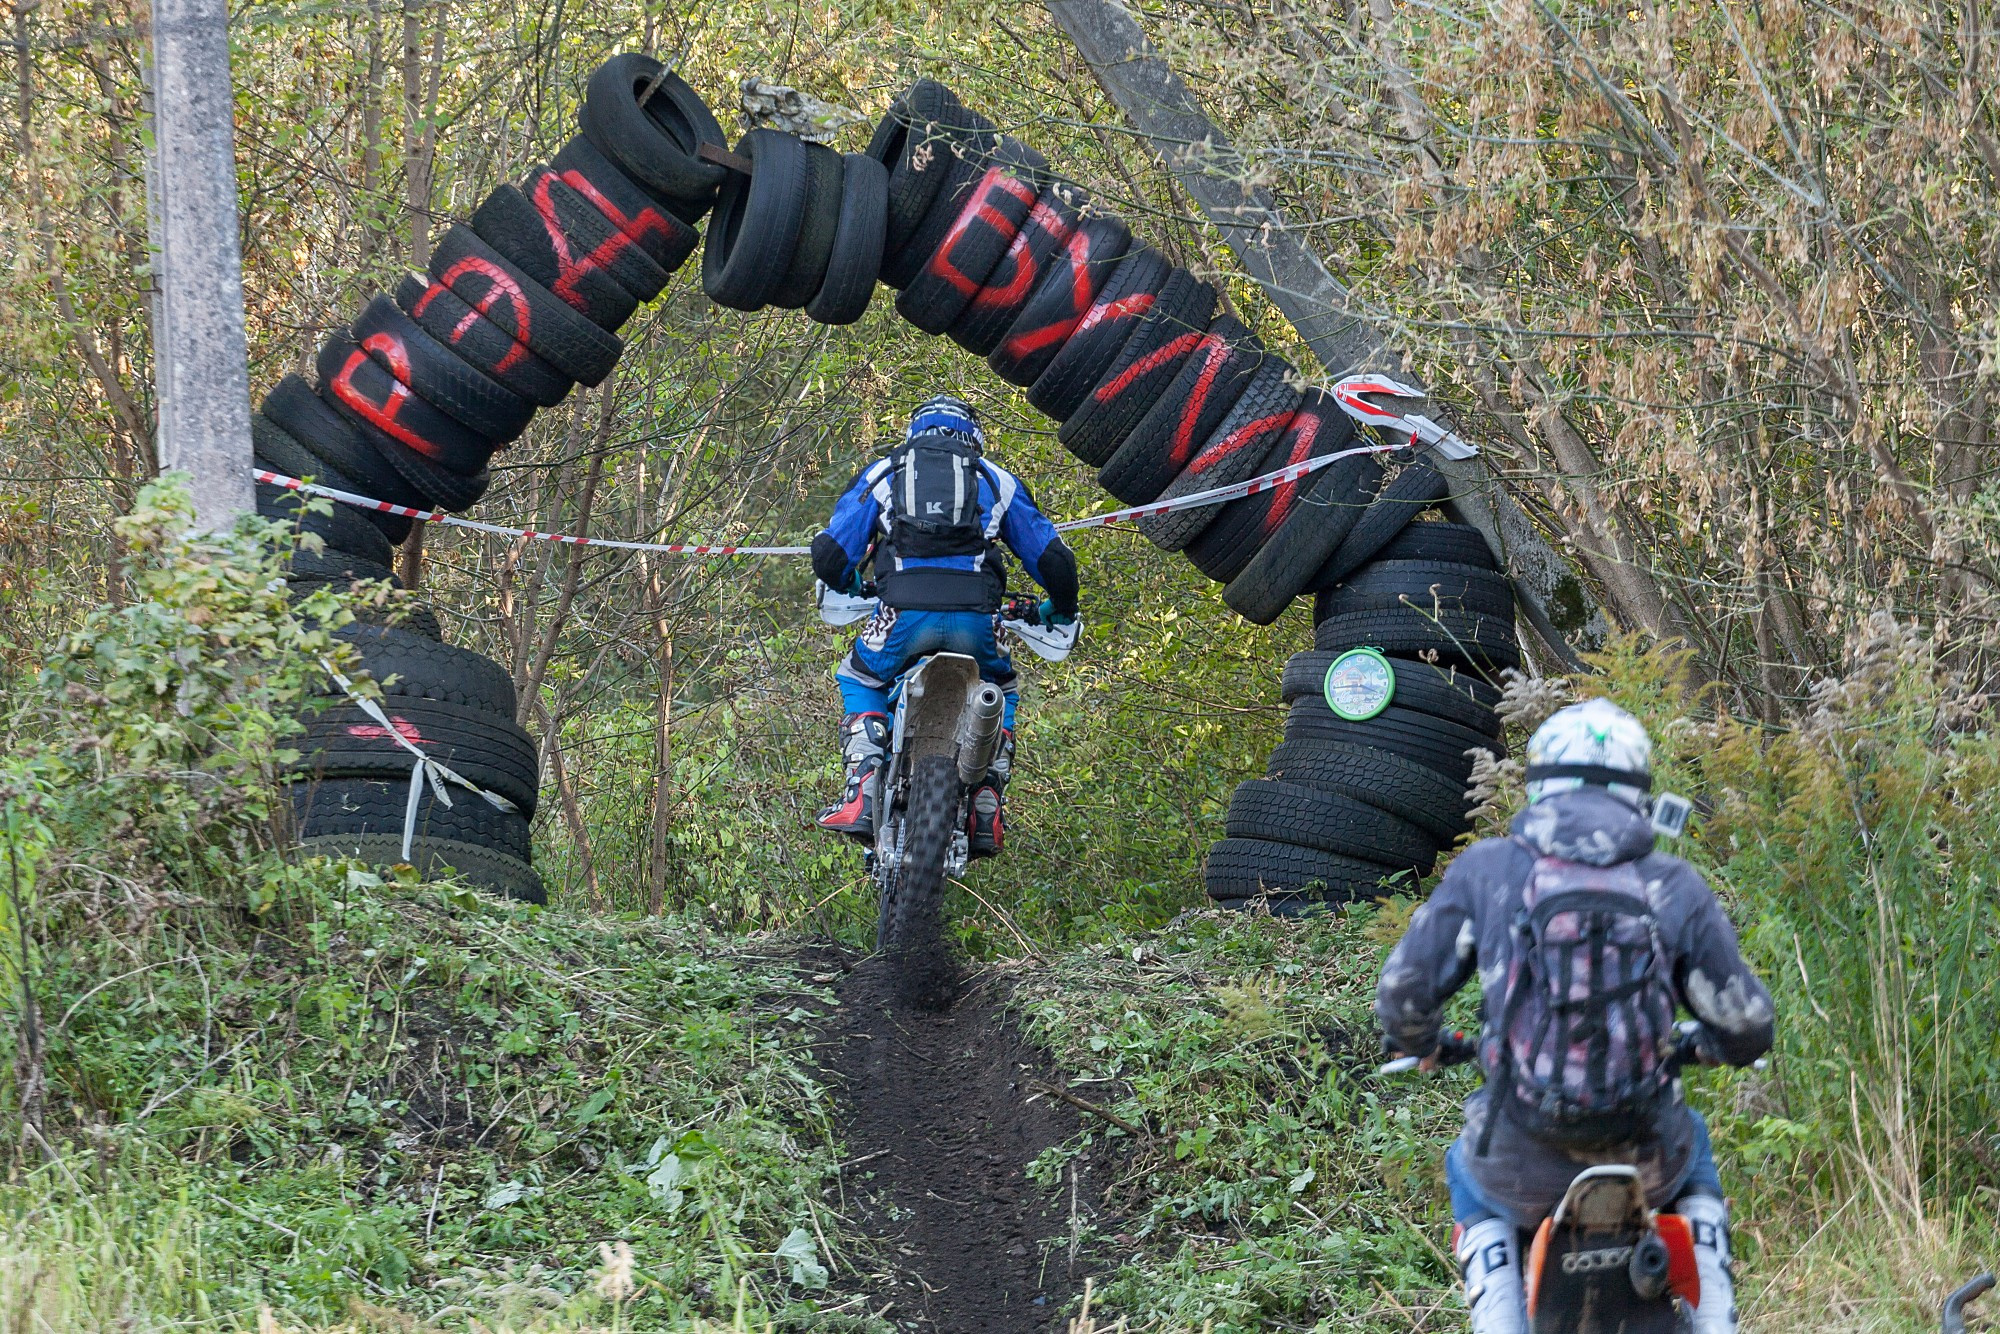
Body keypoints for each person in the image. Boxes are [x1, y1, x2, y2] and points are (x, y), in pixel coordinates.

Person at [1375, 698, 1774, 1334]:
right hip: (1649, 1156)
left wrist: (1422, 1041)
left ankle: (1501, 1317)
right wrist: (1707, 1046)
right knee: (1694, 1140)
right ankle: (1716, 1318)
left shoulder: (1488, 870)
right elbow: (1749, 1026)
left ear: (1538, 784)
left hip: (1518, 1160)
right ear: (1640, 789)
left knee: (1467, 1166)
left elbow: (1402, 996)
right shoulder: (1672, 883)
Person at [811, 394, 1079, 853]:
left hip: (902, 617)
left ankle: (863, 789)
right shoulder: (994, 479)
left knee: (859, 678)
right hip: (978, 623)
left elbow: (829, 553)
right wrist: (1062, 605)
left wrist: (849, 579)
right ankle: (988, 798)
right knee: (1002, 690)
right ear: (973, 437)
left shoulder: (885, 473)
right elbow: (1054, 558)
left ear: (916, 433)